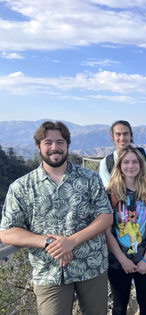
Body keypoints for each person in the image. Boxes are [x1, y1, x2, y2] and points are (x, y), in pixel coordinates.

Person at [0, 121, 113, 315]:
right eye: (48, 142)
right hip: (49, 272)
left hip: (91, 265)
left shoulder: (89, 178)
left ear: (67, 145)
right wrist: (49, 242)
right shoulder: (21, 187)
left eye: (60, 142)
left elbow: (106, 216)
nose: (55, 147)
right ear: (38, 147)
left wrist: (71, 241)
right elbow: (8, 232)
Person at [98, 120, 146, 315]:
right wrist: (122, 259)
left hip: (145, 257)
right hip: (118, 261)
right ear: (119, 166)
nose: (131, 165)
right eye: (126, 162)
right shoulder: (110, 193)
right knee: (119, 306)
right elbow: (107, 228)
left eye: (135, 162)